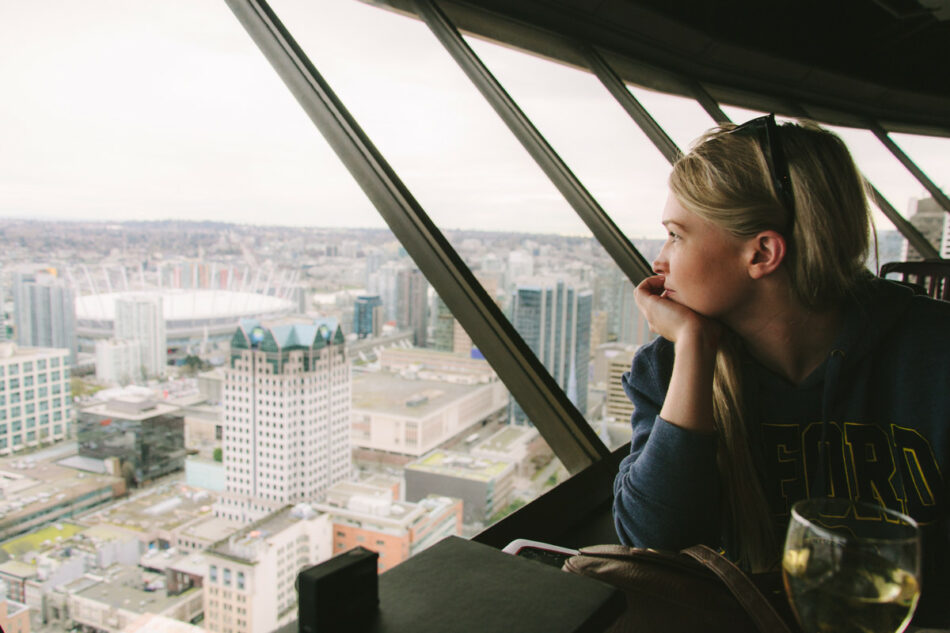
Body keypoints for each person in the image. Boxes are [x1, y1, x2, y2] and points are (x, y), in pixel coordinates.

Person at [612, 114, 949, 626]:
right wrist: (696, 349)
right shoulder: (669, 367)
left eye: (676, 236)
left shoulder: (934, 355)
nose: (659, 261)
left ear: (763, 252)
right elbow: (652, 543)